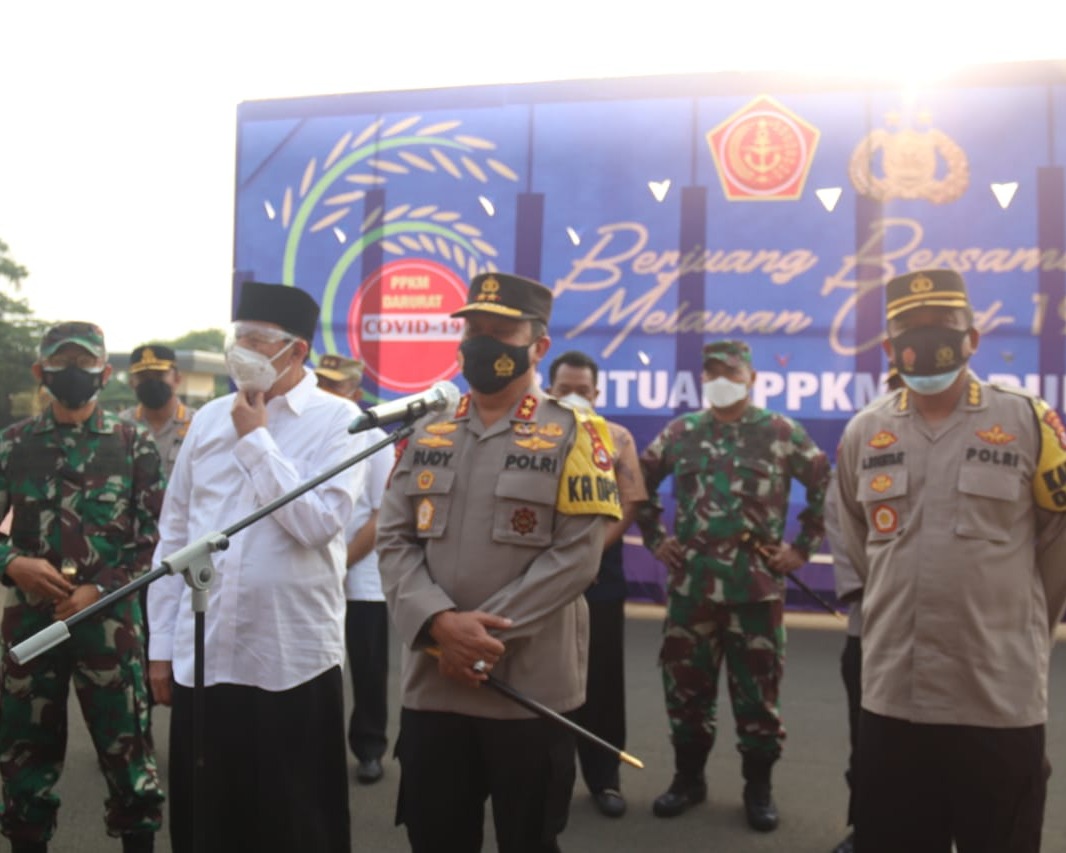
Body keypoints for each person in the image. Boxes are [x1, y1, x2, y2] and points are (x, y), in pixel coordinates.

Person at [377, 272, 622, 853]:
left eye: (501, 331)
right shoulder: (425, 428)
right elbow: (393, 538)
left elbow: (578, 556)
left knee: (530, 838)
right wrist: (440, 625)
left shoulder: (577, 432)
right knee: (435, 836)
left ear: (538, 346)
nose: (482, 343)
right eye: (474, 329)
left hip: (527, 687)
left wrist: (480, 638)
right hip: (434, 685)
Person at [833, 268, 1066, 853]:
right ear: (888, 346)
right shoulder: (865, 431)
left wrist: (1029, 625)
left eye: (944, 326)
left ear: (973, 339)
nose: (929, 339)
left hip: (996, 692)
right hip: (893, 695)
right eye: (911, 329)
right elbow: (855, 542)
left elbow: (1059, 542)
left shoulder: (1028, 422)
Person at [147, 282, 365, 853]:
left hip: (289, 658)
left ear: (294, 352)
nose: (239, 350)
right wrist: (161, 649)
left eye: (255, 340)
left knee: (294, 821)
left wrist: (257, 442)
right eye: (236, 338)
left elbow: (317, 524)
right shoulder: (210, 418)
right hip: (207, 646)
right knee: (208, 817)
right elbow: (175, 534)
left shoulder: (341, 421)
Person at [637, 339, 830, 832]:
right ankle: (688, 780)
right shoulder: (683, 432)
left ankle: (758, 789)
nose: (721, 379)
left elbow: (828, 482)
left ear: (752, 378)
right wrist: (656, 538)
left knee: (758, 697)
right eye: (713, 372)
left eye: (731, 371)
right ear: (703, 379)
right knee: (685, 693)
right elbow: (636, 480)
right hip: (692, 591)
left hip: (756, 592)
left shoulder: (780, 432)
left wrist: (803, 547)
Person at [0, 321, 165, 853]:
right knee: (24, 769)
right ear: (40, 371)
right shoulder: (13, 444)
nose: (74, 373)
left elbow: (152, 539)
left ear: (105, 372)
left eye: (85, 363)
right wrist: (12, 563)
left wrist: (102, 589)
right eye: (63, 363)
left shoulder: (132, 442)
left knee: (131, 766)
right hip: (31, 623)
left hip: (110, 627)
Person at [545, 349, 648, 819]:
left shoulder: (617, 438)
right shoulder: (529, 436)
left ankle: (605, 778)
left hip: (598, 578)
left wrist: (584, 557)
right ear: (548, 388)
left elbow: (630, 504)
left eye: (582, 391)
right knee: (541, 682)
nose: (572, 397)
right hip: (538, 581)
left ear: (597, 394)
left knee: (601, 680)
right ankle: (544, 778)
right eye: (563, 389)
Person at [825, 366, 902, 853]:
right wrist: (869, 595)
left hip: (948, 633)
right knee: (869, 739)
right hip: (871, 628)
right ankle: (867, 829)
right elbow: (841, 522)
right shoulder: (864, 442)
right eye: (895, 386)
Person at [314, 353, 393, 785]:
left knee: (366, 666)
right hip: (311, 573)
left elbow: (382, 516)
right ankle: (318, 749)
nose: (327, 393)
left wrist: (340, 563)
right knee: (316, 666)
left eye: (336, 386)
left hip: (360, 575)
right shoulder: (303, 436)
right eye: (321, 383)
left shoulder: (374, 439)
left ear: (355, 394)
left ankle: (369, 748)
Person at [120, 344, 196, 480]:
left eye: (160, 375)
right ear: (132, 383)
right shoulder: (120, 427)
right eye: (143, 377)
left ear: (177, 379)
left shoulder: (198, 424)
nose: (152, 383)